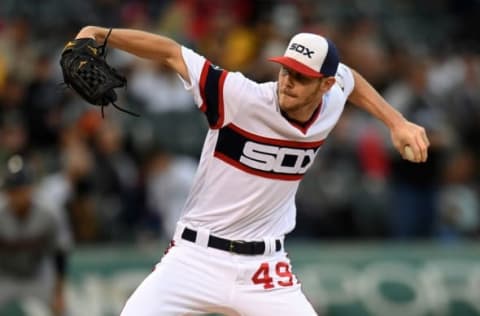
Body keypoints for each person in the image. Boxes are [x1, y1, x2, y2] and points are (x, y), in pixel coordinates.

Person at [72, 26, 430, 315]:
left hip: (265, 268)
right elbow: (170, 51)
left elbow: (351, 78)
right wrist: (100, 33)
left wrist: (396, 122)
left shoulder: (333, 98)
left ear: (325, 85)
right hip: (195, 257)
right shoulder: (240, 97)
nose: (288, 81)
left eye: (302, 77)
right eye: (286, 69)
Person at [0, 155, 71, 316]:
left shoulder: (49, 212)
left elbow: (60, 253)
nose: (16, 195)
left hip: (35, 275)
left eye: (19, 189)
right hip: (3, 276)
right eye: (11, 190)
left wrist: (59, 293)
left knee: (63, 311)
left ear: (30, 188)